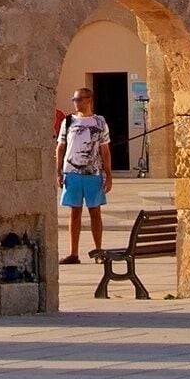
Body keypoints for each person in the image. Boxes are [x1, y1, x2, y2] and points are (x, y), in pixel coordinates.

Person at [57, 89, 113, 267]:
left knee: (95, 212)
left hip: (93, 173)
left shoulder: (100, 122)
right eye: (74, 99)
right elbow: (61, 147)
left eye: (79, 99)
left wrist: (108, 174)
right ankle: (74, 253)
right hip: (72, 173)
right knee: (74, 213)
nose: (76, 102)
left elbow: (105, 150)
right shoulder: (68, 121)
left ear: (89, 100)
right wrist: (58, 170)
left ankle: (98, 250)